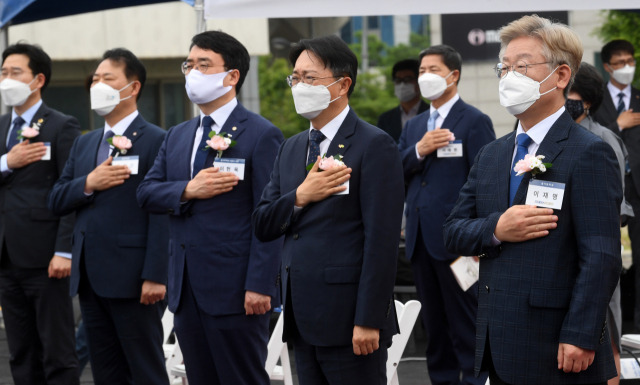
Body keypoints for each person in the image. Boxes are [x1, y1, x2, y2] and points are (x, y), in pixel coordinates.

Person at [443, 15, 621, 385]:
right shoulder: (492, 154)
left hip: (559, 344)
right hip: (498, 338)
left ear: (560, 76)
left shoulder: (589, 152)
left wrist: (580, 334)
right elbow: (453, 232)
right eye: (503, 67)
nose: (508, 77)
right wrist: (496, 228)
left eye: (521, 67)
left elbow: (601, 256)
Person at [252, 35, 405, 385]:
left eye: (310, 78)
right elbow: (262, 222)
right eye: (295, 77)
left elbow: (380, 243)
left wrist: (368, 319)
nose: (299, 86)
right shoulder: (291, 148)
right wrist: (300, 196)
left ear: (342, 84)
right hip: (301, 318)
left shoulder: (374, 145)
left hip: (351, 320)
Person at [137, 31, 283, 385]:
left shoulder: (261, 134)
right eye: (189, 65)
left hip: (236, 289)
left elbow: (270, 217)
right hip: (185, 287)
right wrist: (188, 189)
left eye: (204, 65)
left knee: (241, 377)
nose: (193, 73)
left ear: (231, 76)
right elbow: (146, 193)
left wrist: (260, 285)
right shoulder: (178, 134)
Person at [48, 48, 169, 385]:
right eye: (95, 79)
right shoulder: (85, 144)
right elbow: (56, 199)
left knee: (145, 368)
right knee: (105, 370)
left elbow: (162, 211)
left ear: (132, 88)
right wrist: (88, 183)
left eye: (108, 78)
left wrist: (156, 275)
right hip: (89, 275)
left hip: (134, 277)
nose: (97, 85)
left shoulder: (158, 140)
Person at [398, 44, 495, 385]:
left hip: (459, 245)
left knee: (466, 323)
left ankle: (475, 380)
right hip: (421, 241)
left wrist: (480, 240)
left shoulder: (474, 121)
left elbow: (487, 184)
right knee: (434, 328)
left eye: (433, 70)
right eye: (422, 71)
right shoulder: (415, 126)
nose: (425, 77)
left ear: (453, 76)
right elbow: (396, 171)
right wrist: (419, 149)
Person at [0, 42, 80, 385]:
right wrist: (7, 162)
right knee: (19, 350)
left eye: (15, 72)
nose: (6, 79)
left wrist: (64, 250)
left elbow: (71, 191)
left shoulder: (62, 125)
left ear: (38, 80)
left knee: (57, 350)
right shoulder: (1, 124)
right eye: (3, 72)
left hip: (46, 257)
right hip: (6, 255)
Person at [567, 61, 633, 385]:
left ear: (588, 101)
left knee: (605, 328)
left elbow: (616, 208)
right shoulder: (554, 137)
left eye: (570, 93)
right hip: (559, 259)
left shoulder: (604, 140)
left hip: (596, 254)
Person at [592, 39, 640, 333]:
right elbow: (592, 137)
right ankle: (613, 326)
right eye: (619, 62)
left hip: (638, 190)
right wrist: (618, 125)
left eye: (630, 61)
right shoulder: (595, 100)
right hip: (607, 188)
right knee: (609, 257)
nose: (626, 67)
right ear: (607, 66)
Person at [377, 59, 429, 142]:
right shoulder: (385, 119)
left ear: (419, 82)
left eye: (407, 80)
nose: (402, 85)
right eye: (398, 80)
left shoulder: (432, 114)